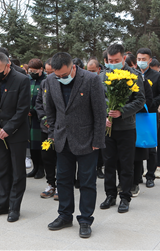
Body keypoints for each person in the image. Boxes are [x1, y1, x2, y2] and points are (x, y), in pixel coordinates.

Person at [44, 52, 106, 239]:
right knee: (63, 180)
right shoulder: (50, 80)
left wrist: (97, 141)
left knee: (87, 182)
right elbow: (50, 110)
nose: (61, 78)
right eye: (57, 75)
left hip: (87, 140)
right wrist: (54, 133)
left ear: (73, 67)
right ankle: (64, 215)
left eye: (64, 75)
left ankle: (85, 219)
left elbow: (100, 112)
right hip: (63, 140)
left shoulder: (90, 79)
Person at [0, 52, 30, 222]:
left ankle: (15, 207)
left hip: (16, 133)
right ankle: (1, 204)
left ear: (7, 65)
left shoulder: (22, 80)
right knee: (2, 170)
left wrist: (8, 129)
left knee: (17, 172)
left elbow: (23, 109)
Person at [100, 43, 145, 214]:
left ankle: (125, 197)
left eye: (116, 60)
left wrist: (122, 111)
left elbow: (140, 100)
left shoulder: (134, 75)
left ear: (124, 58)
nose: (113, 64)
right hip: (108, 128)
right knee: (109, 163)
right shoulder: (103, 75)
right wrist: (106, 115)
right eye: (110, 61)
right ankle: (110, 195)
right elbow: (98, 99)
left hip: (126, 127)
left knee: (126, 164)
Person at [137, 48, 160, 187]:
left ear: (150, 60)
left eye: (144, 59)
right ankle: (137, 176)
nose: (141, 61)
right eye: (139, 59)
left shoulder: (157, 76)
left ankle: (150, 176)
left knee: (150, 146)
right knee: (136, 146)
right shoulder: (133, 74)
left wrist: (150, 104)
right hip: (136, 115)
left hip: (150, 114)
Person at [125, 54, 153, 198]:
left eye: (130, 65)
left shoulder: (140, 79)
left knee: (136, 155)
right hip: (122, 121)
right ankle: (123, 183)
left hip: (137, 120)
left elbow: (146, 99)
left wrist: (132, 108)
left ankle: (135, 182)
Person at [36, 58, 58, 199]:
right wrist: (44, 119)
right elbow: (38, 103)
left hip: (61, 129)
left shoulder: (63, 83)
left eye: (52, 72)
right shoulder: (44, 83)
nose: (49, 75)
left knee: (62, 159)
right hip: (46, 128)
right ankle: (51, 184)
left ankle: (61, 185)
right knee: (47, 157)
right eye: (47, 72)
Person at [26, 59, 47, 179]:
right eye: (30, 71)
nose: (32, 73)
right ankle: (35, 167)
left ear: (41, 70)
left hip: (40, 116)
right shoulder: (28, 80)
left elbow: (44, 99)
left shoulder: (45, 80)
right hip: (28, 117)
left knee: (40, 144)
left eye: (35, 71)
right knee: (32, 144)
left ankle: (41, 168)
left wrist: (35, 110)